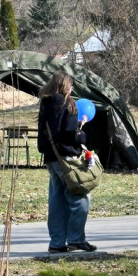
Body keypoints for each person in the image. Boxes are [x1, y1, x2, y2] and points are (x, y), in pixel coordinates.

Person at [36, 70, 95, 253]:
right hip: (67, 159)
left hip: (51, 159)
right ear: (66, 86)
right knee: (80, 197)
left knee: (57, 200)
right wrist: (81, 130)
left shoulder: (45, 105)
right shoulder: (68, 105)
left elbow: (47, 135)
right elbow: (70, 135)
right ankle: (76, 239)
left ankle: (57, 242)